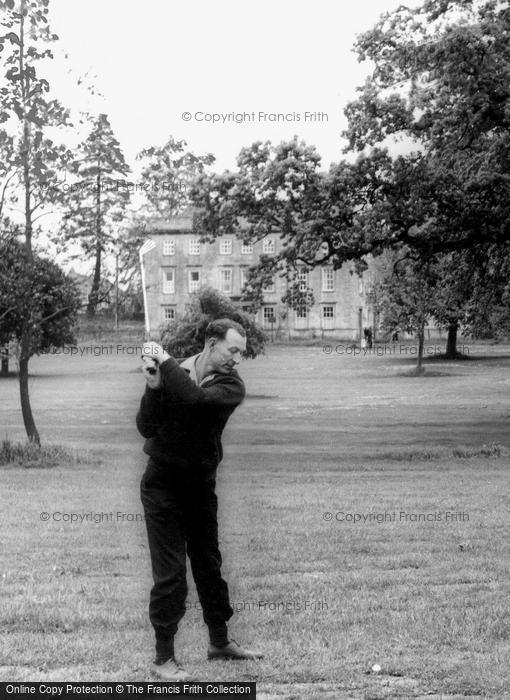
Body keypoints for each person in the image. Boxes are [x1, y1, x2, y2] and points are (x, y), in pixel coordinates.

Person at [137, 318, 263, 681]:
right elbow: (146, 426)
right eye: (233, 350)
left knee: (208, 563)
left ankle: (220, 643)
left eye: (241, 352)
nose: (238, 358)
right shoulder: (174, 373)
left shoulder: (230, 385)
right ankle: (163, 658)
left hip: (199, 486)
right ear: (211, 343)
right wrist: (153, 386)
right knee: (171, 573)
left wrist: (165, 360)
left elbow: (194, 402)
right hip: (161, 485)